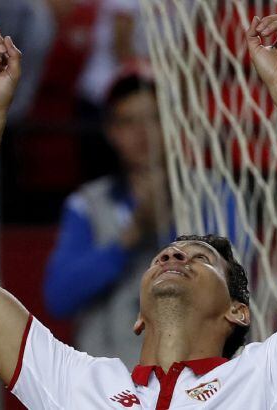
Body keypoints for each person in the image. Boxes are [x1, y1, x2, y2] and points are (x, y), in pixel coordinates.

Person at [0, 3, 277, 408]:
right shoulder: (75, 382)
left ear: (238, 311)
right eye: (167, 254)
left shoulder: (273, 375)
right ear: (140, 316)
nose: (173, 254)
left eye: (201, 259)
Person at [42, 72, 173, 368]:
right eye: (129, 122)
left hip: (191, 382)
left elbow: (232, 283)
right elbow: (58, 297)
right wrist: (131, 235)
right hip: (110, 383)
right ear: (111, 132)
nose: (143, 132)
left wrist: (169, 226)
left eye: (153, 118)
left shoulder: (211, 197)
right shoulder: (87, 204)